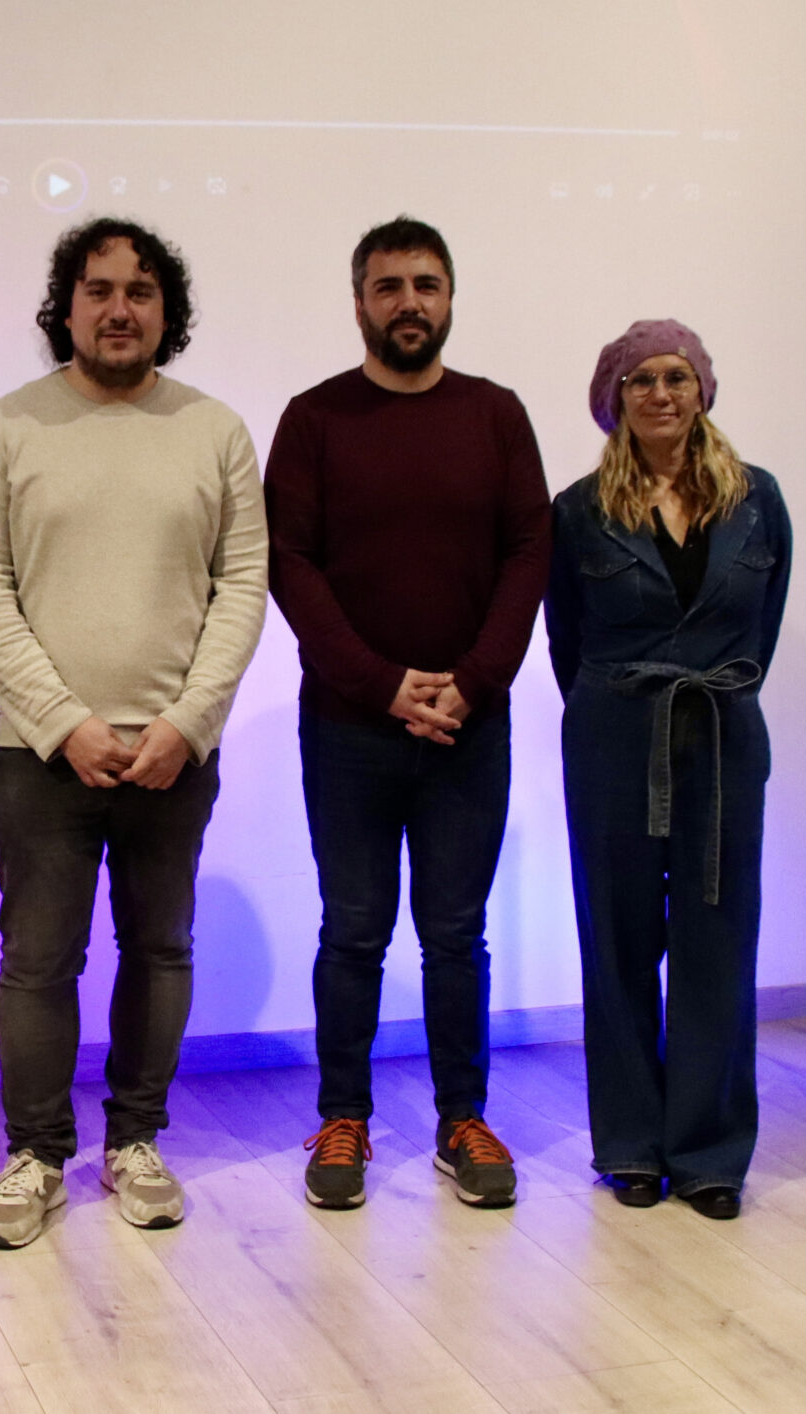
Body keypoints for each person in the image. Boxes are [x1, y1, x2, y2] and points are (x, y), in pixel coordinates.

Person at [0, 217, 268, 1249]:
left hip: (174, 754)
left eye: (139, 290)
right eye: (99, 289)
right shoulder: (5, 429)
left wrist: (187, 722)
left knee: (159, 949)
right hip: (43, 756)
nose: (119, 308)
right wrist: (61, 722)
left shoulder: (215, 431)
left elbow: (242, 585)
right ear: (68, 305)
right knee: (38, 960)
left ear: (166, 309)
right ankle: (35, 1154)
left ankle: (135, 1141)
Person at [265, 216, 551, 1212]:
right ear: (359, 304)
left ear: (450, 297)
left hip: (469, 726)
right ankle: (342, 1117)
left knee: (455, 934)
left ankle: (462, 1120)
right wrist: (382, 684)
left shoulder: (495, 414)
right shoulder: (314, 419)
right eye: (388, 287)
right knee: (352, 930)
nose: (409, 303)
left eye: (425, 284)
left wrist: (474, 681)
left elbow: (528, 552)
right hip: (349, 726)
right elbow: (290, 563)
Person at [544, 320, 790, 1220]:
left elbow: (761, 628)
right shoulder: (577, 510)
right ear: (614, 398)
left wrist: (714, 695)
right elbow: (565, 638)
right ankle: (631, 1148)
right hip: (614, 735)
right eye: (640, 379)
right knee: (616, 940)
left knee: (718, 939)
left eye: (676, 376)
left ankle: (709, 1153)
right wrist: (619, 704)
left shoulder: (758, 500)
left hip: (723, 737)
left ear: (701, 390)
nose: (660, 393)